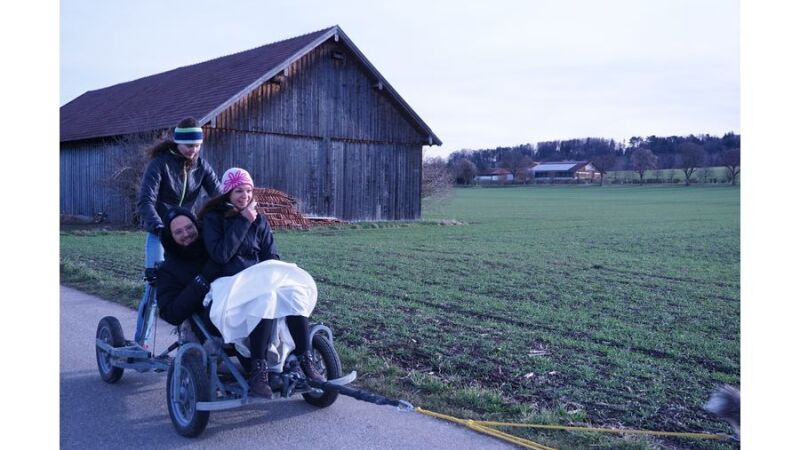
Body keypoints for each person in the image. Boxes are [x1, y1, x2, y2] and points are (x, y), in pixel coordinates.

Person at [199, 167, 324, 396]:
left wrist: (271, 276)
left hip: (258, 279)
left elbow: (271, 255)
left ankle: (306, 359)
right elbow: (220, 255)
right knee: (264, 299)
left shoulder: (260, 220)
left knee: (292, 293)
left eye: (248, 191)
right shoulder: (213, 218)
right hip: (229, 282)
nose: (244, 196)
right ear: (227, 193)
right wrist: (243, 222)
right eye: (238, 191)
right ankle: (259, 369)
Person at [134, 117, 222, 342]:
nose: (194, 150)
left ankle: (197, 337)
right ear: (177, 143)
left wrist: (234, 213)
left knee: (202, 281)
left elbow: (219, 196)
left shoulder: (201, 166)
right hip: (161, 233)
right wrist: (160, 229)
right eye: (189, 146)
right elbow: (145, 201)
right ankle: (141, 340)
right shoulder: (160, 164)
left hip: (187, 233)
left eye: (198, 146)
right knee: (155, 287)